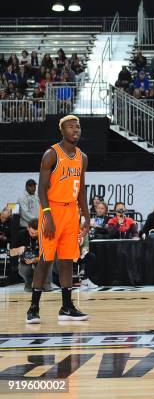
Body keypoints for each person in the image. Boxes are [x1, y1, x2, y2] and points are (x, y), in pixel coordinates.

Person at [26, 115, 90, 324]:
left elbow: (81, 190)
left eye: (78, 127)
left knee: (67, 260)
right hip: (52, 210)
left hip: (72, 212)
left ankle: (67, 307)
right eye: (71, 127)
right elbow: (42, 189)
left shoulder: (82, 157)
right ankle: (33, 307)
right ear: (62, 131)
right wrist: (47, 214)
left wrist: (87, 217)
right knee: (45, 260)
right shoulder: (51, 154)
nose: (76, 130)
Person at [10, 218, 51, 292]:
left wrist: (35, 259)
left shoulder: (45, 235)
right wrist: (18, 249)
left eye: (36, 233)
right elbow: (10, 253)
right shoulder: (21, 234)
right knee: (23, 269)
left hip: (41, 259)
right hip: (26, 261)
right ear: (28, 228)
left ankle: (46, 283)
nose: (34, 235)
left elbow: (49, 254)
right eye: (32, 233)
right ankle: (29, 282)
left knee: (48, 262)